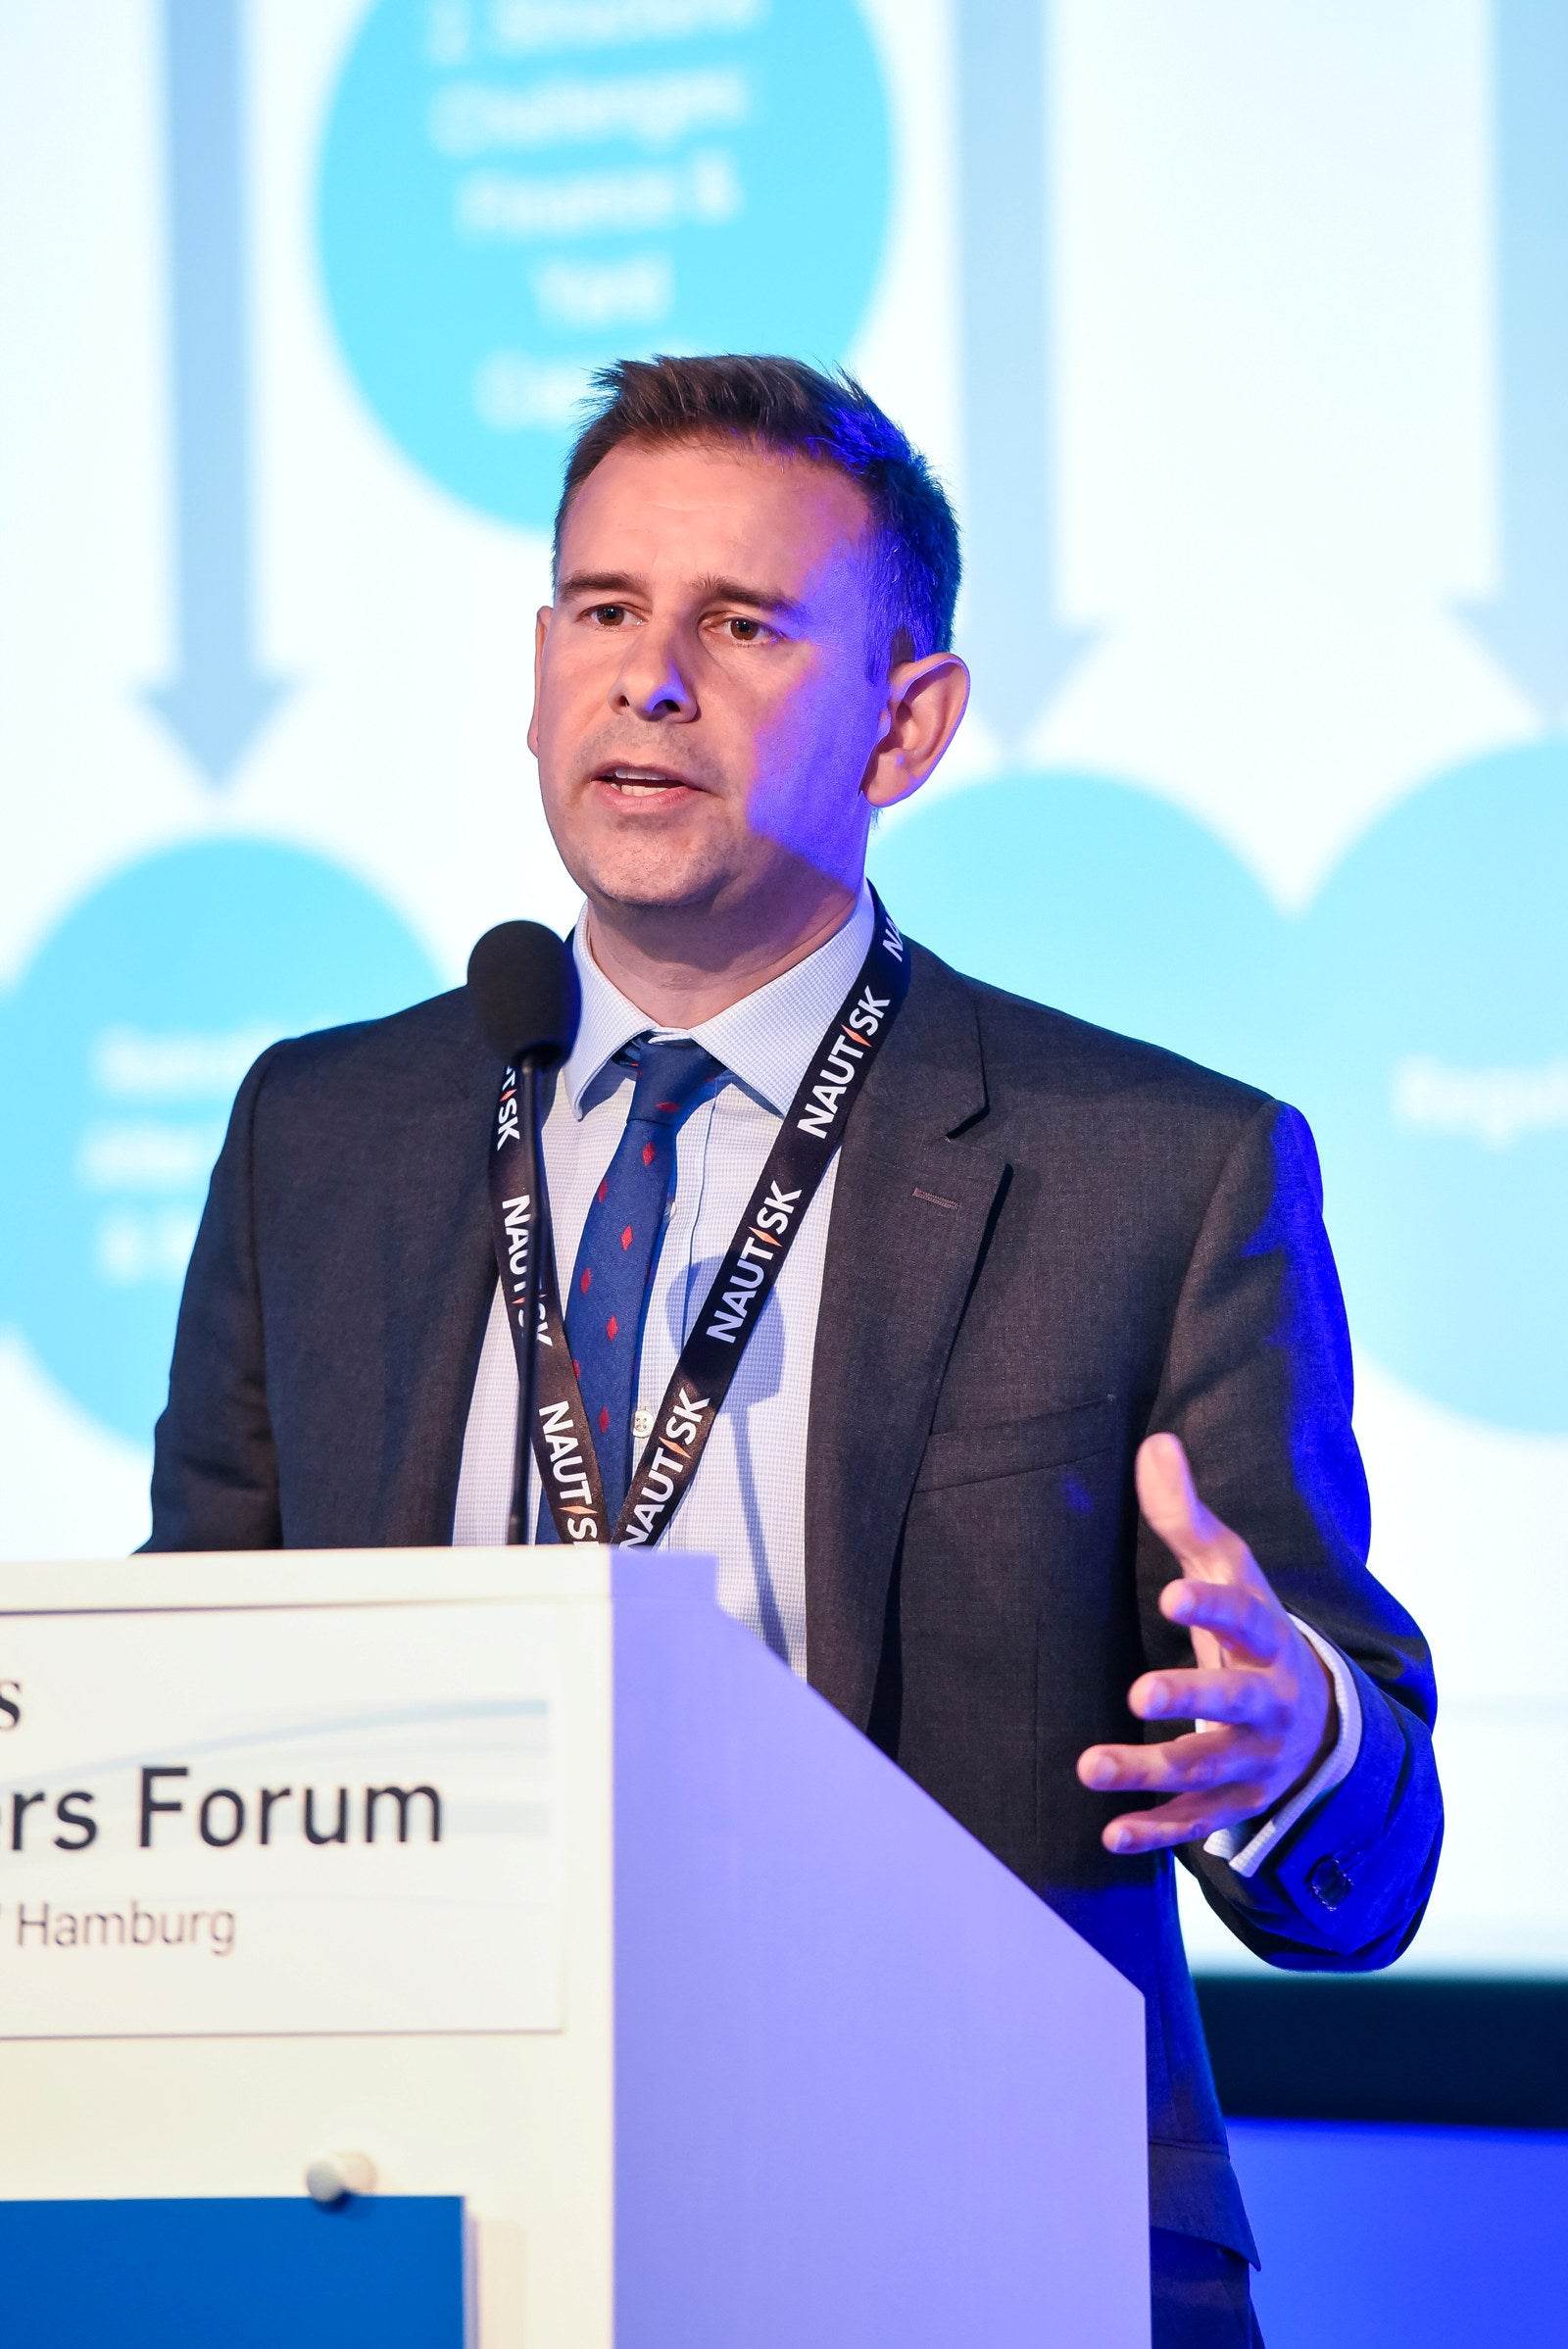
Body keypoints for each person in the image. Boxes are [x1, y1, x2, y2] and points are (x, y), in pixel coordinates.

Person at [147, 355, 1442, 2345]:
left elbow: (1371, 1863)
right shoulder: (325, 1136)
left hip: (976, 2233)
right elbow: (193, 1696)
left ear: (906, 723)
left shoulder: (1151, 1169)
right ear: (537, 672)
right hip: (414, 2227)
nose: (650, 681)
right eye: (604, 609)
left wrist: (1293, 1740)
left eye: (741, 626)